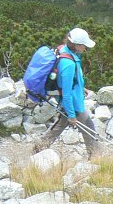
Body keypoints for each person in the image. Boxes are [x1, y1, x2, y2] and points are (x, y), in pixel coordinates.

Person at [35, 27, 98, 157]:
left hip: (69, 99)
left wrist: (82, 88)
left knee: (59, 126)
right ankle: (96, 158)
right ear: (77, 45)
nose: (86, 48)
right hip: (73, 103)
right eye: (84, 45)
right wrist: (72, 115)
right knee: (89, 128)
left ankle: (38, 149)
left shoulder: (64, 49)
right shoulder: (68, 64)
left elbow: (70, 81)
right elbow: (67, 93)